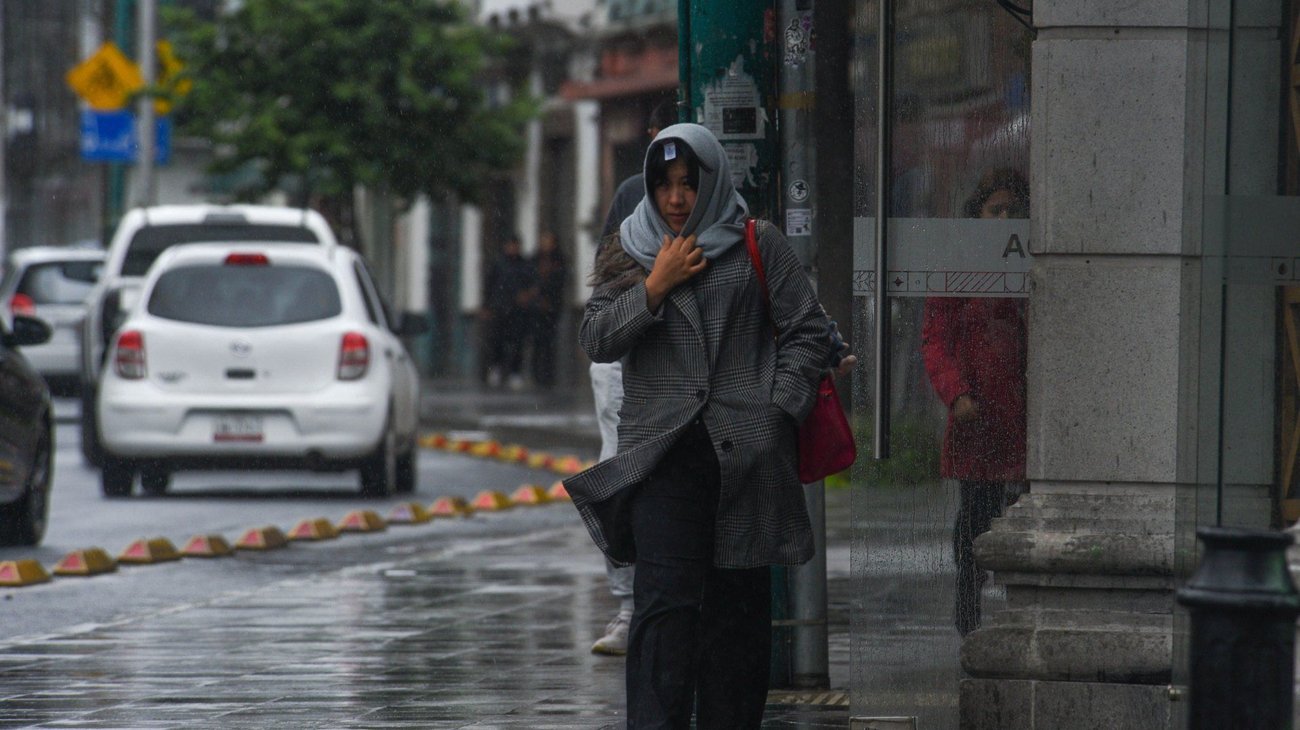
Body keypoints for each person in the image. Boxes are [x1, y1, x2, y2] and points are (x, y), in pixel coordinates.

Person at [564, 123, 831, 728]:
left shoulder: (754, 241)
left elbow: (808, 330)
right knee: (664, 608)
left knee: (737, 614)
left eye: (689, 183)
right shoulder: (630, 250)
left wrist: (777, 409)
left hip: (744, 458)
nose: (677, 198)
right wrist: (654, 288)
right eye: (664, 185)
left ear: (712, 181)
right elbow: (596, 339)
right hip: (663, 461)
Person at [920, 167, 1030, 636]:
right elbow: (935, 338)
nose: (1004, 218)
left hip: (1025, 415)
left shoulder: (1031, 259)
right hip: (979, 416)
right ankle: (969, 603)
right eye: (995, 210)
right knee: (975, 519)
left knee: (1022, 516)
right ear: (977, 213)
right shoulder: (960, 261)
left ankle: (1019, 607)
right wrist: (957, 392)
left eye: (1012, 210)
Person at [588, 99, 676, 657]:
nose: (676, 194)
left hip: (690, 367)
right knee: (621, 473)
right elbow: (604, 296)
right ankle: (627, 606)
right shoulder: (629, 196)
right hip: (629, 360)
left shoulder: (727, 210)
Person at [482, 233, 535, 390]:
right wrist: (488, 305)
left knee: (518, 342)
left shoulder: (524, 265)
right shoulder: (498, 264)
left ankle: (515, 373)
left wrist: (526, 296)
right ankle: (496, 369)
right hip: (500, 309)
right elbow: (489, 285)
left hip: (518, 311)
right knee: (497, 341)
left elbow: (533, 284)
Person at [529, 231, 567, 389]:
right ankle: (536, 373)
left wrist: (550, 299)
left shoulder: (559, 260)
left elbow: (559, 281)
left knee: (549, 341)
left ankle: (548, 373)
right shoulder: (535, 259)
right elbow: (530, 277)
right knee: (537, 340)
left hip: (552, 307)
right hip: (536, 307)